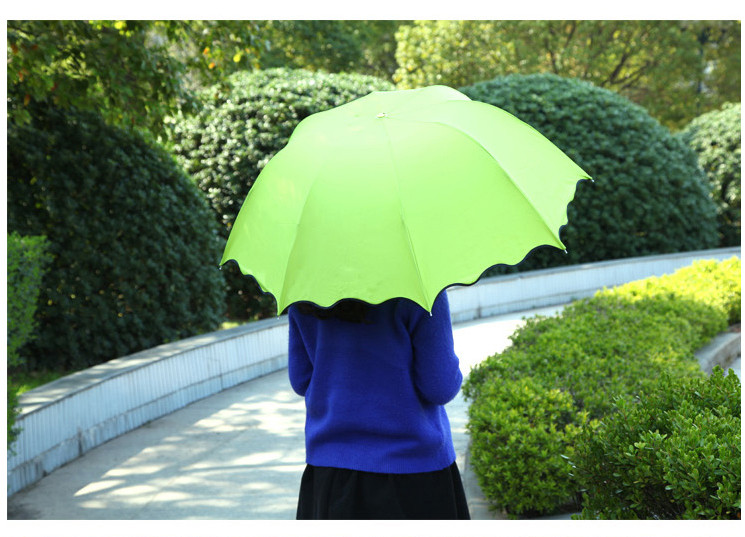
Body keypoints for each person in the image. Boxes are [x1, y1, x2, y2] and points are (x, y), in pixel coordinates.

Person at [287, 290, 470, 520]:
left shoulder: (305, 294)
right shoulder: (419, 291)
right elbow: (439, 386)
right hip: (414, 472)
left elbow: (301, 380)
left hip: (330, 473)